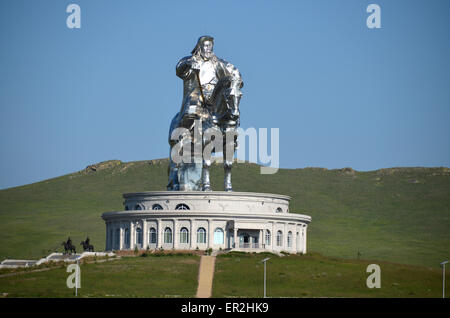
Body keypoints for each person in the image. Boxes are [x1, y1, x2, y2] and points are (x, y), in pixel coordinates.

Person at [167, 36, 243, 191]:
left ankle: (231, 137)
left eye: (211, 46)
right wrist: (188, 62)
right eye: (206, 46)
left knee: (231, 112)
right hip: (197, 96)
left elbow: (233, 70)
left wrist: (236, 78)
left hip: (216, 95)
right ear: (200, 47)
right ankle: (184, 137)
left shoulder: (218, 62)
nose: (208, 49)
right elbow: (179, 68)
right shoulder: (193, 60)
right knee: (190, 112)